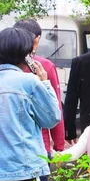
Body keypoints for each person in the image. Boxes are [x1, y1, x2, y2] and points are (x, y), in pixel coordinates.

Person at [0, 28, 61, 181]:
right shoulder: (28, 82)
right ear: (25, 54)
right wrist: (45, 82)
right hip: (25, 170)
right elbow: (52, 118)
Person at [13, 19, 65, 159]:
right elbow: (55, 106)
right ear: (37, 39)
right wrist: (59, 145)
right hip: (39, 147)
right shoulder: (43, 67)